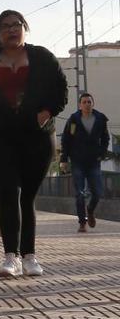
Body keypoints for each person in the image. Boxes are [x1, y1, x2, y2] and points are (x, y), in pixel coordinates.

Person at [0, 10, 68, 278]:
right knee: (7, 195)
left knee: (28, 199)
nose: (12, 30)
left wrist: (46, 112)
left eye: (16, 25)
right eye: (5, 26)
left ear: (25, 28)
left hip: (35, 138)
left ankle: (31, 257)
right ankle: (10, 257)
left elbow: (61, 90)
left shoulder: (43, 58)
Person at [60, 93, 109, 233]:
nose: (87, 104)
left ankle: (90, 210)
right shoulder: (74, 120)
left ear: (93, 104)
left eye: (89, 102)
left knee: (97, 193)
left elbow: (105, 139)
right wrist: (64, 159)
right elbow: (66, 140)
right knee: (80, 193)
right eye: (84, 102)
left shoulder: (100, 119)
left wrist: (102, 154)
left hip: (94, 162)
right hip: (78, 162)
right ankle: (82, 222)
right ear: (80, 105)